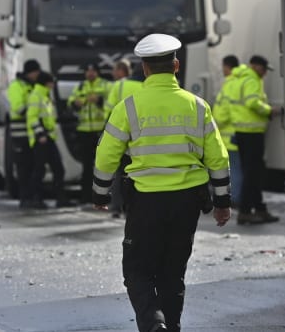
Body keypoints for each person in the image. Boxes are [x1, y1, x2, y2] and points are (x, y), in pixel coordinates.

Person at [92, 33, 231, 332]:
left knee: (137, 271)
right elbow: (219, 159)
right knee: (172, 272)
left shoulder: (128, 106)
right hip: (187, 202)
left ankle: (154, 324)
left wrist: (100, 193)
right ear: (176, 65)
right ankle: (172, 326)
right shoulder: (197, 105)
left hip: (146, 201)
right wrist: (222, 202)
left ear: (144, 68)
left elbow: (106, 156)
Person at [225, 54, 281, 224]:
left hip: (243, 132)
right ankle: (245, 211)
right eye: (264, 69)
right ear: (256, 67)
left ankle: (259, 208)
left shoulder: (240, 79)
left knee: (254, 172)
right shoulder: (251, 80)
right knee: (252, 174)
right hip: (251, 133)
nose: (265, 73)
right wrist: (269, 110)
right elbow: (252, 103)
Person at [104, 58, 144, 217]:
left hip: (118, 133)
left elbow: (108, 109)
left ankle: (115, 206)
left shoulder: (119, 85)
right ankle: (130, 207)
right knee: (135, 171)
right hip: (139, 136)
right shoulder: (147, 87)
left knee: (118, 171)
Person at [27, 71, 72, 208]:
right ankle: (36, 199)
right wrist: (40, 134)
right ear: (47, 83)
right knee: (40, 170)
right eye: (52, 82)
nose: (53, 85)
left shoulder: (44, 95)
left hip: (48, 138)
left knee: (58, 169)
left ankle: (60, 198)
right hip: (41, 139)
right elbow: (32, 118)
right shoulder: (37, 96)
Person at [68, 62, 111, 203]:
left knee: (102, 166)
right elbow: (70, 103)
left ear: (98, 72)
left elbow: (112, 103)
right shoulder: (80, 86)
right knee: (86, 166)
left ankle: (102, 195)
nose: (90, 73)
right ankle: (85, 196)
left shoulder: (106, 85)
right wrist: (76, 103)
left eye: (93, 71)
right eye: (88, 71)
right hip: (84, 131)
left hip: (100, 131)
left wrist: (99, 100)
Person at [7, 59, 41, 208]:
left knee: (34, 166)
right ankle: (24, 197)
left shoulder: (34, 86)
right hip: (20, 134)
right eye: (36, 72)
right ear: (30, 72)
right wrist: (33, 109)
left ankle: (33, 197)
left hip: (32, 134)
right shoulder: (16, 86)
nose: (37, 75)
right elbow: (18, 108)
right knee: (23, 168)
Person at [212, 55, 244, 207]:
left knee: (234, 169)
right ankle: (237, 196)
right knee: (236, 168)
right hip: (236, 134)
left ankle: (236, 198)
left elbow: (224, 111)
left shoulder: (230, 84)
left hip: (230, 135)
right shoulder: (238, 82)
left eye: (223, 67)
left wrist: (214, 121)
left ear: (227, 67)